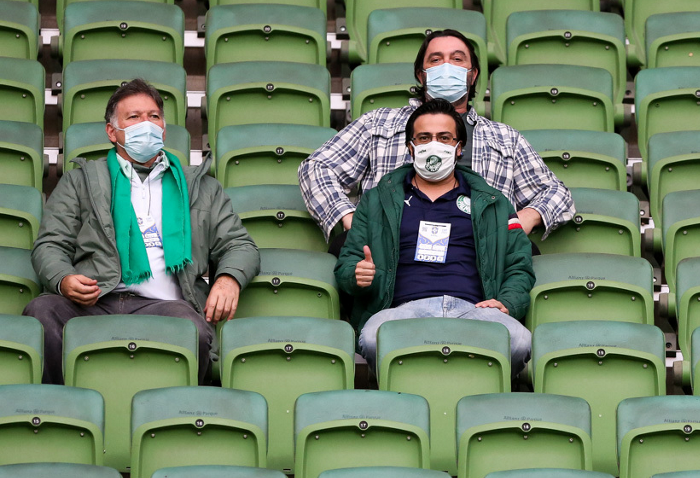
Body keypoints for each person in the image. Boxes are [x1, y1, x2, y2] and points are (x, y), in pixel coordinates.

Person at [25, 78, 259, 384]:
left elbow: (240, 245)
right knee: (42, 311)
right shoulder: (79, 181)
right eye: (133, 117)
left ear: (163, 129)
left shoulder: (202, 187)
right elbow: (50, 245)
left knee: (193, 330)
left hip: (166, 305)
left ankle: (178, 411)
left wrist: (228, 279)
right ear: (112, 132)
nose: (145, 124)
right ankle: (63, 406)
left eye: (153, 116)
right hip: (95, 302)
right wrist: (63, 278)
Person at [299, 29, 574, 248]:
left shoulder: (505, 138)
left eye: (457, 59)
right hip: (390, 248)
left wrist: (523, 219)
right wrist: (351, 219)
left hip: (478, 252)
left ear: (473, 75)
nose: (447, 66)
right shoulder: (378, 124)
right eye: (436, 59)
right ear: (422, 75)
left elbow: (556, 193)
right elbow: (316, 168)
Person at [336, 97, 534, 371]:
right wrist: (357, 274)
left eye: (444, 137)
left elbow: (519, 264)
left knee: (520, 341)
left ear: (459, 147)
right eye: (424, 137)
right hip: (401, 312)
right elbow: (347, 263)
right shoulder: (376, 200)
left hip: (475, 310)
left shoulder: (493, 202)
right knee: (372, 338)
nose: (434, 144)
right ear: (411, 147)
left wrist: (507, 303)